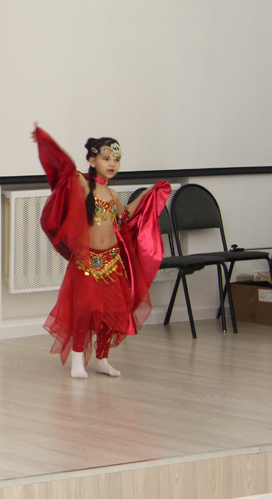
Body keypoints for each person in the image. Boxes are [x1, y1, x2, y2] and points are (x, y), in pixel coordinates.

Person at [33, 126, 170, 379]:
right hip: (87, 262)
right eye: (106, 158)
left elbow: (125, 216)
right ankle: (77, 360)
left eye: (116, 159)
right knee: (84, 311)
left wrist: (148, 195)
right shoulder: (84, 185)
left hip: (112, 261)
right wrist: (48, 143)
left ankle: (102, 360)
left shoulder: (112, 194)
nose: (112, 164)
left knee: (112, 312)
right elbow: (66, 171)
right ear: (92, 161)